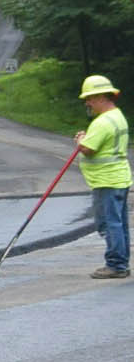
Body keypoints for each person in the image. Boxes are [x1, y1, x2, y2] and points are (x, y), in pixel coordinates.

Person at [76, 74, 129, 279]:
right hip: (119, 179)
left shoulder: (102, 122)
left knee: (107, 223)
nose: (87, 103)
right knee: (119, 223)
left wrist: (81, 139)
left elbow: (88, 149)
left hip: (106, 181)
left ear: (100, 97)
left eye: (89, 98)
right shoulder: (118, 116)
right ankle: (121, 262)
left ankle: (115, 264)